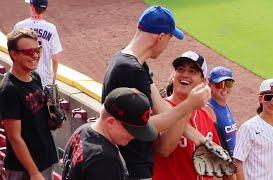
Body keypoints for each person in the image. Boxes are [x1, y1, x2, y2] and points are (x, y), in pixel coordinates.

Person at [101, 6, 211, 179]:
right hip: (131, 168)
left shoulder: (135, 64)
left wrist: (200, 139)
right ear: (160, 37)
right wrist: (189, 105)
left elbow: (160, 106)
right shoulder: (131, 70)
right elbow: (143, 125)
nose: (168, 44)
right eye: (169, 38)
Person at [152, 51, 222, 180]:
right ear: (173, 75)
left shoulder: (205, 117)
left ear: (203, 81)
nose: (185, 74)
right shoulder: (160, 110)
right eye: (180, 69)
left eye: (192, 71)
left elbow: (217, 163)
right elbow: (163, 149)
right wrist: (190, 105)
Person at [62, 87, 157, 180]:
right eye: (131, 130)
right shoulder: (104, 161)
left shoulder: (82, 130)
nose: (133, 136)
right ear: (110, 122)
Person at [0, 29, 58, 180]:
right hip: (24, 169)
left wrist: (54, 120)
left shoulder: (35, 77)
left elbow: (38, 118)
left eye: (37, 49)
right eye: (28, 51)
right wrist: (33, 172)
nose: (35, 55)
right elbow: (14, 137)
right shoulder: (9, 90)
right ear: (14, 54)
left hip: (44, 160)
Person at [15, 0, 63, 87]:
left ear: (32, 6)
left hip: (23, 79)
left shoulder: (20, 27)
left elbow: (13, 53)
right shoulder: (51, 28)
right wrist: (53, 77)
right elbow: (55, 58)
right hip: (45, 80)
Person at [207, 66, 237, 156]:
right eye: (219, 84)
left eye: (228, 84)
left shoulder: (224, 106)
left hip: (232, 161)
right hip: (223, 164)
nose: (224, 88)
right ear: (210, 86)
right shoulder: (209, 109)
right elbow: (210, 144)